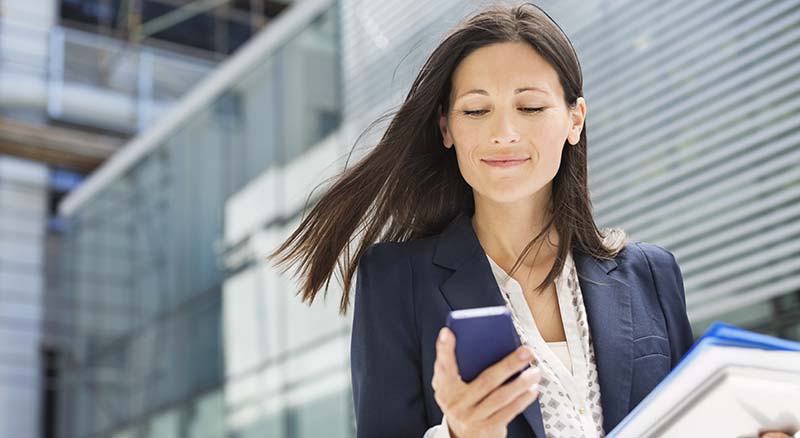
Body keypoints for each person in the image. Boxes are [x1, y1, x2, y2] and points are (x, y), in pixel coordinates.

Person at [267, 3, 795, 438]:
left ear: (574, 119)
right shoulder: (397, 282)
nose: (503, 133)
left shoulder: (650, 275)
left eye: (530, 107)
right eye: (476, 111)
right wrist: (460, 435)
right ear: (447, 128)